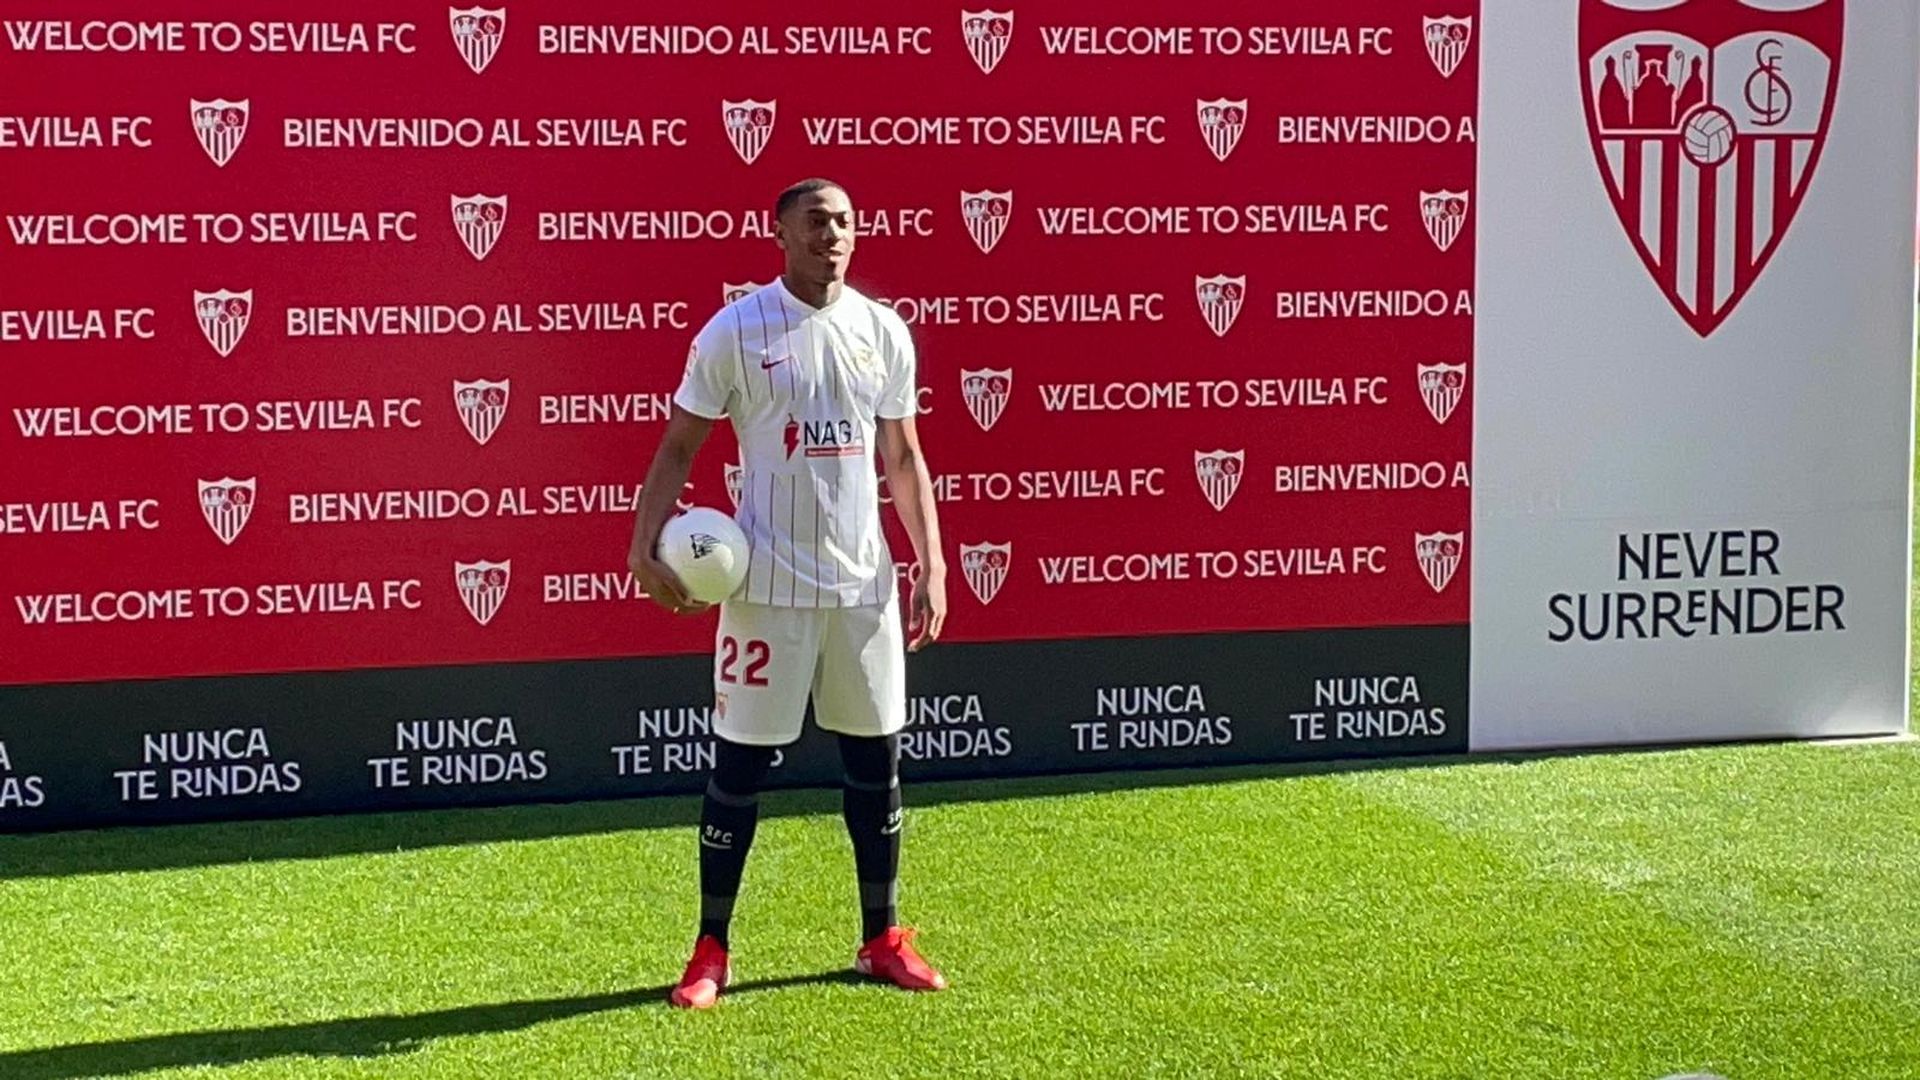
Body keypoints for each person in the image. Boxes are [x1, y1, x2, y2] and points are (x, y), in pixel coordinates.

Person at [626, 178, 949, 1010]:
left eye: (842, 221)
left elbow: (904, 458)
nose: (830, 235)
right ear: (780, 234)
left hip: (862, 587)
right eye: (814, 222)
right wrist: (642, 542)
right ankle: (710, 950)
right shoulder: (736, 331)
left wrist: (932, 562)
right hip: (764, 585)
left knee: (875, 763)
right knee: (739, 766)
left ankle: (882, 937)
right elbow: (678, 446)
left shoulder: (883, 332)